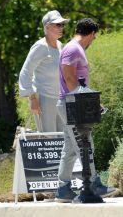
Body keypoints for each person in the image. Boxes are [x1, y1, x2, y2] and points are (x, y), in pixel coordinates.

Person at [55, 18, 116, 202]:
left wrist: (91, 101)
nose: (93, 41)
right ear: (91, 34)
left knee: (70, 149)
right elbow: (69, 76)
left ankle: (63, 189)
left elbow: (75, 80)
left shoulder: (73, 48)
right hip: (72, 105)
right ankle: (94, 184)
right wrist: (85, 102)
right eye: (94, 38)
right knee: (85, 145)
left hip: (70, 103)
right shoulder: (74, 48)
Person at [19, 10, 69, 132]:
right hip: (44, 100)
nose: (61, 27)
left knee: (63, 138)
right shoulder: (40, 46)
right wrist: (32, 99)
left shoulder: (60, 45)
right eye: (58, 24)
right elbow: (25, 72)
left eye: (62, 24)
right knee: (49, 137)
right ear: (47, 27)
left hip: (60, 99)